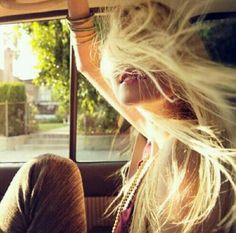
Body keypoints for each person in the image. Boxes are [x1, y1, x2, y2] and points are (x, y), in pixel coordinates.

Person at [0, 1, 235, 233]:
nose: (128, 58)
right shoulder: (154, 128)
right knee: (46, 171)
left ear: (181, 59)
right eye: (122, 45)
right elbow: (88, 63)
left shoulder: (185, 156)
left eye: (146, 43)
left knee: (49, 172)